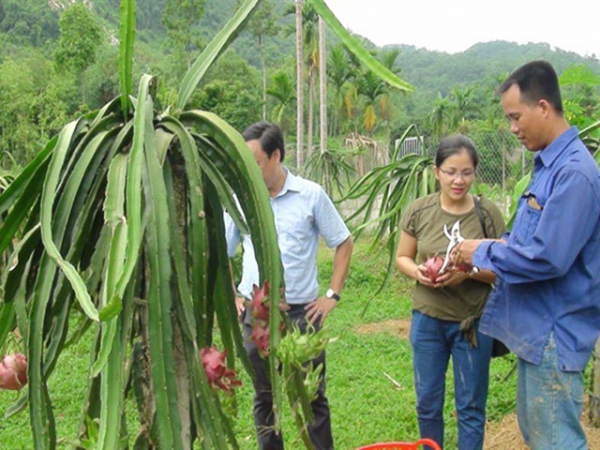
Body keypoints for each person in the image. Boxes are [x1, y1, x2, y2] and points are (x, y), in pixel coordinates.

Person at [453, 60, 600, 450]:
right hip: (538, 334)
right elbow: (529, 243)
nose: (513, 128)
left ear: (544, 108)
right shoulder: (548, 167)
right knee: (542, 437)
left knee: (556, 442)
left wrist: (481, 250)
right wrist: (495, 250)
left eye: (516, 117)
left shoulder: (573, 174)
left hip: (553, 333)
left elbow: (547, 258)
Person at [225, 121, 353, 450]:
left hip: (302, 315)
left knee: (311, 396)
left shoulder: (310, 195)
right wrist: (233, 296)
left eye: (254, 162)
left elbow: (343, 241)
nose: (248, 170)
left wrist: (331, 295)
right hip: (258, 315)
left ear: (276, 155)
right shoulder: (241, 200)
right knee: (265, 397)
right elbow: (222, 250)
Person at [395, 135, 506, 450]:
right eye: (451, 171)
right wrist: (418, 272)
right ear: (436, 172)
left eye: (467, 172)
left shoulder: (487, 214)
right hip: (428, 320)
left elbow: (502, 267)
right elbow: (403, 256)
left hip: (472, 323)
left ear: (474, 173)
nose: (459, 180)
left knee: (470, 407)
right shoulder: (420, 210)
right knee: (427, 404)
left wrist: (466, 273)